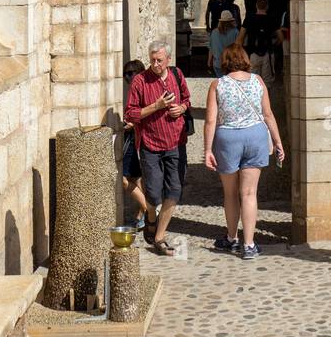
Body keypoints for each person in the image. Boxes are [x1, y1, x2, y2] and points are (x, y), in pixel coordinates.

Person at [204, 43, 285, 259]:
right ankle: (249, 245)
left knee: (230, 194)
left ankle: (232, 238)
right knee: (249, 193)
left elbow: (211, 120)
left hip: (228, 139)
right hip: (255, 137)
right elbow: (268, 114)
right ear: (244, 59)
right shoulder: (258, 81)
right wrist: (278, 142)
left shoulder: (217, 84)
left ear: (225, 61)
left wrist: (207, 150)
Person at [125, 41, 192, 256]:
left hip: (175, 143)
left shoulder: (176, 75)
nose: (155, 64)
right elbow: (131, 114)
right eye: (152, 60)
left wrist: (181, 108)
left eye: (159, 60)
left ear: (168, 60)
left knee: (174, 190)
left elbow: (187, 100)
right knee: (153, 194)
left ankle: (159, 237)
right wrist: (157, 106)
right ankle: (151, 218)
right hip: (150, 144)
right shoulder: (140, 81)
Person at [122, 59, 149, 230]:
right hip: (131, 139)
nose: (130, 77)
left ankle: (148, 209)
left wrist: (131, 124)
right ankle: (143, 214)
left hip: (136, 139)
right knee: (137, 178)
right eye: (127, 74)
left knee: (122, 179)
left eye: (133, 73)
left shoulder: (144, 88)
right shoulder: (132, 89)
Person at [239, 0, 275, 84]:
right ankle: (266, 97)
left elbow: (240, 38)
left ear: (256, 6)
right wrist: (274, 44)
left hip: (252, 54)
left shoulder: (249, 19)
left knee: (252, 82)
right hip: (267, 54)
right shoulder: (272, 19)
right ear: (267, 7)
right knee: (267, 83)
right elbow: (280, 37)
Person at [208, 10, 240, 77]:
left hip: (217, 63)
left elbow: (211, 49)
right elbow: (238, 48)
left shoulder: (214, 32)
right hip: (231, 63)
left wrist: (209, 61)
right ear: (231, 21)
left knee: (221, 82)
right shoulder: (235, 32)